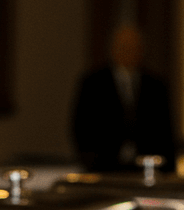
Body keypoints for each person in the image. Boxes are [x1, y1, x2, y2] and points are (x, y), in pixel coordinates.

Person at [71, 25, 175, 173]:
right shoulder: (93, 83)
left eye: (133, 47)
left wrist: (166, 168)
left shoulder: (156, 86)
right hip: (104, 167)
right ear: (112, 48)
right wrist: (90, 160)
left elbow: (165, 131)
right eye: (123, 46)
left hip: (146, 169)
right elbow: (81, 125)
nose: (128, 51)